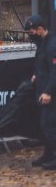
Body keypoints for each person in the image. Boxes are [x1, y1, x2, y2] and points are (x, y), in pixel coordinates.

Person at [24, 16, 56, 170]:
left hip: (51, 92)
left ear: (40, 29)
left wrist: (49, 92)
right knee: (43, 126)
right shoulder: (43, 43)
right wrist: (36, 74)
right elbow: (43, 64)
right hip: (42, 88)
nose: (31, 35)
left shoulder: (52, 44)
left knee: (49, 125)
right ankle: (48, 154)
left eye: (32, 32)